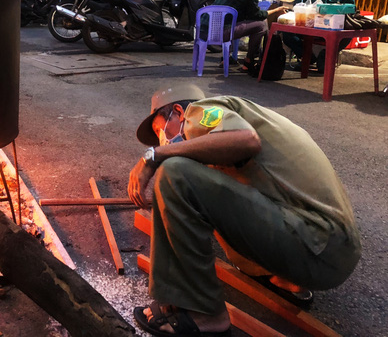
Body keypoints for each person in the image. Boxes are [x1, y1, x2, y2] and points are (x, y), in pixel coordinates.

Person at [128, 83, 361, 337]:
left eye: (160, 129)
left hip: (317, 246)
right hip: (331, 251)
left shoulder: (199, 113)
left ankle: (204, 312)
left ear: (178, 112)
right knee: (193, 181)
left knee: (174, 173)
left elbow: (246, 140)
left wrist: (154, 155)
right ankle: (287, 281)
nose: (163, 139)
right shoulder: (247, 117)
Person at [214, 0, 287, 72]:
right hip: (220, 33)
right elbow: (257, 15)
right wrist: (276, 10)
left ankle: (226, 59)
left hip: (206, 30)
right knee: (261, 25)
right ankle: (249, 62)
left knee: (248, 22)